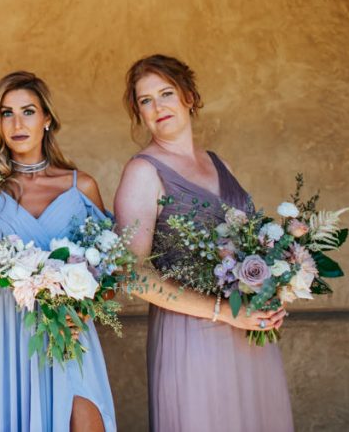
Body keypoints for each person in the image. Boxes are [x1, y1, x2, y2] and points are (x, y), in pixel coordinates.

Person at [112, 55, 293, 432]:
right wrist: (223, 312)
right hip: (192, 336)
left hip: (250, 330)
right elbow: (132, 274)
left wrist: (273, 293)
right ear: (139, 112)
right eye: (145, 100)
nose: (158, 106)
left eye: (166, 93)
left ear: (189, 97)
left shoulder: (218, 162)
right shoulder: (143, 171)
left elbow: (252, 245)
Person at [0, 71, 116, 432]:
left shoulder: (81, 187)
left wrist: (81, 307)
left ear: (47, 118)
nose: (17, 124)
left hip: (69, 332)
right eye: (7, 113)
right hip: (4, 334)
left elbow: (112, 274)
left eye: (28, 112)